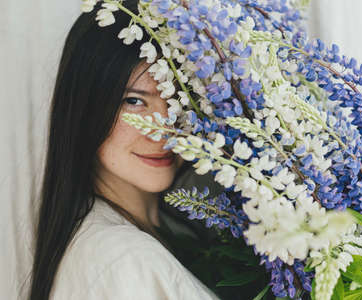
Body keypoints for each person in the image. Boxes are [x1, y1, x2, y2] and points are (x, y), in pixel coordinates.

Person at [28, 1, 220, 299]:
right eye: (134, 101)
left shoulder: (174, 235)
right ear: (84, 108)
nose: (164, 129)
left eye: (181, 100)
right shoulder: (125, 260)